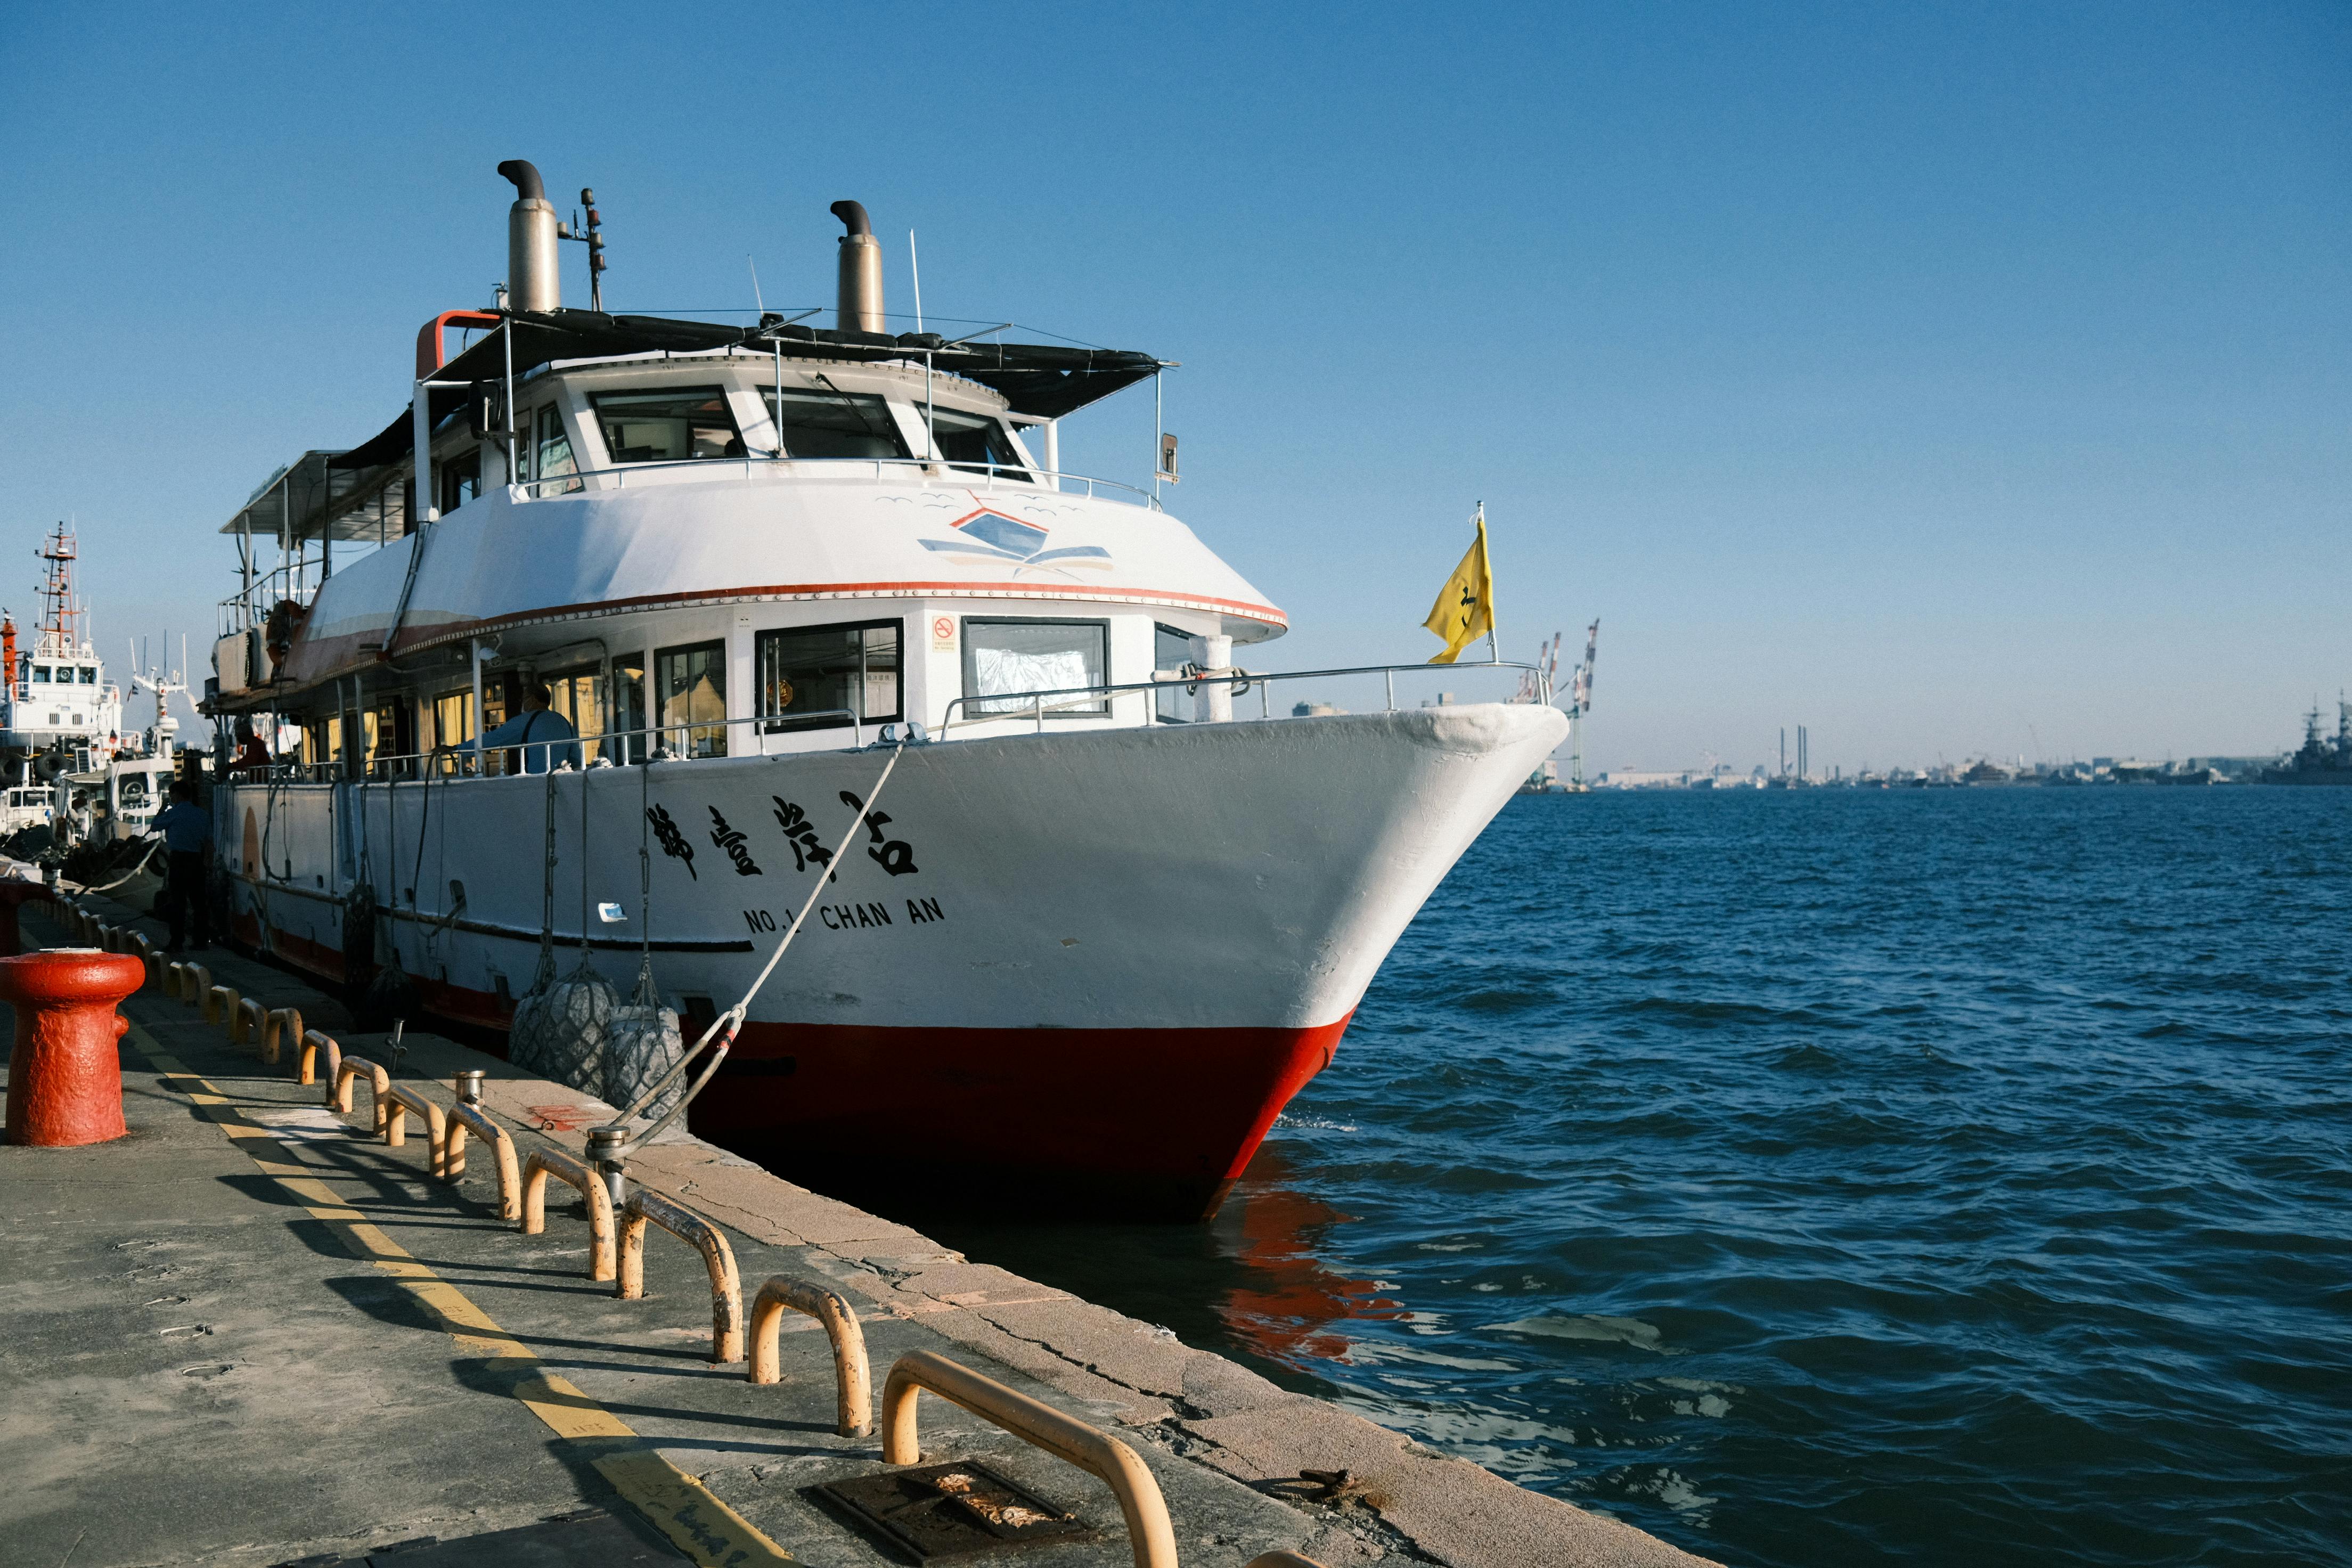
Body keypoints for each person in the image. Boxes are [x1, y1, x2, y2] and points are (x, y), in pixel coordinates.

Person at [151, 779, 211, 952]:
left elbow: (155, 827)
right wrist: (208, 863)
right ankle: (201, 941)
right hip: (197, 861)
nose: (171, 799)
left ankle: (177, 942)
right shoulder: (202, 814)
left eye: (171, 795)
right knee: (199, 903)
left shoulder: (173, 814)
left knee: (178, 902)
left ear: (177, 795)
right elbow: (209, 842)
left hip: (178, 860)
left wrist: (163, 809)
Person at [475, 682, 580, 773]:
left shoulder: (526, 721)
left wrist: (459, 748)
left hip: (537, 781)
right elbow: (576, 758)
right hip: (562, 778)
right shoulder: (563, 721)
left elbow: (492, 739)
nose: (523, 702)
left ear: (533, 699)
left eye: (525, 698)